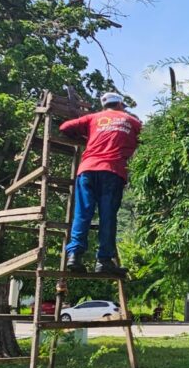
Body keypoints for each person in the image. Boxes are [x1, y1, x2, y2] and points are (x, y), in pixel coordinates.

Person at [60, 92, 141, 275]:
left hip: (87, 170)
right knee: (108, 216)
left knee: (82, 213)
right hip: (112, 172)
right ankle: (104, 260)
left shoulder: (93, 118)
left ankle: (74, 256)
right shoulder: (131, 121)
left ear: (105, 106)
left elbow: (65, 127)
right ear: (120, 105)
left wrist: (87, 138)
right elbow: (145, 138)